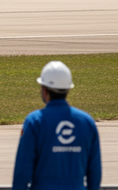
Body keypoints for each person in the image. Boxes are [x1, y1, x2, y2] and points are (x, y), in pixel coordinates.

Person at [13, 61, 101, 190]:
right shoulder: (87, 122)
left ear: (44, 90)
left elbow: (23, 170)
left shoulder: (35, 121)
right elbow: (95, 171)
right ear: (68, 89)